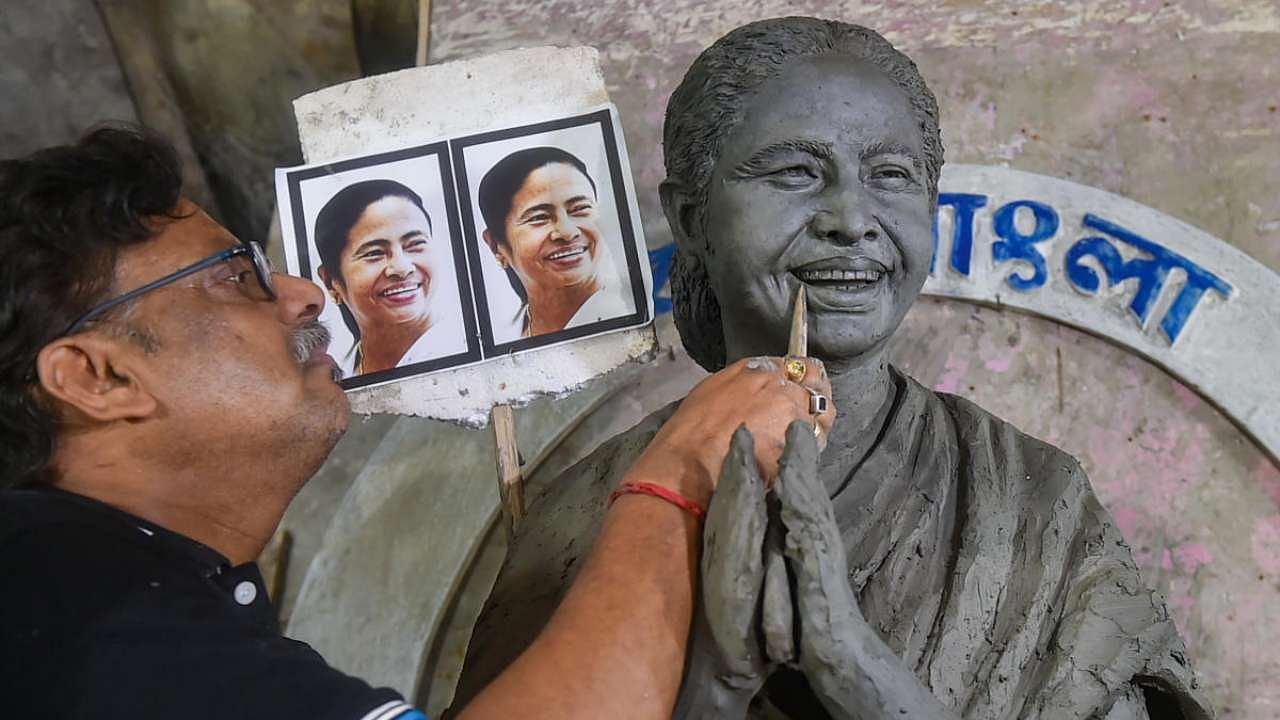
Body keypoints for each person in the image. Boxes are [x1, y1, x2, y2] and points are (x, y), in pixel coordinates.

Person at [454, 17, 1212, 720]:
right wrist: (707, 690)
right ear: (691, 217)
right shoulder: (590, 510)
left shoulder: (1037, 498)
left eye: (891, 175)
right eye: (794, 173)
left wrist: (862, 676)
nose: (851, 219)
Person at [0, 126, 834, 719]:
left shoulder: (117, 589)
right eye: (234, 277)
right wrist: (683, 470)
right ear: (96, 377)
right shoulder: (79, 619)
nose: (301, 294)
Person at [476, 146, 632, 342]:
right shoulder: (505, 337)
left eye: (580, 209)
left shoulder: (626, 312)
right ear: (495, 246)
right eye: (539, 217)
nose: (567, 232)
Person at [315, 179, 466, 376]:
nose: (402, 268)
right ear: (330, 282)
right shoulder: (339, 374)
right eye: (374, 253)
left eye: (414, 244)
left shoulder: (464, 346)